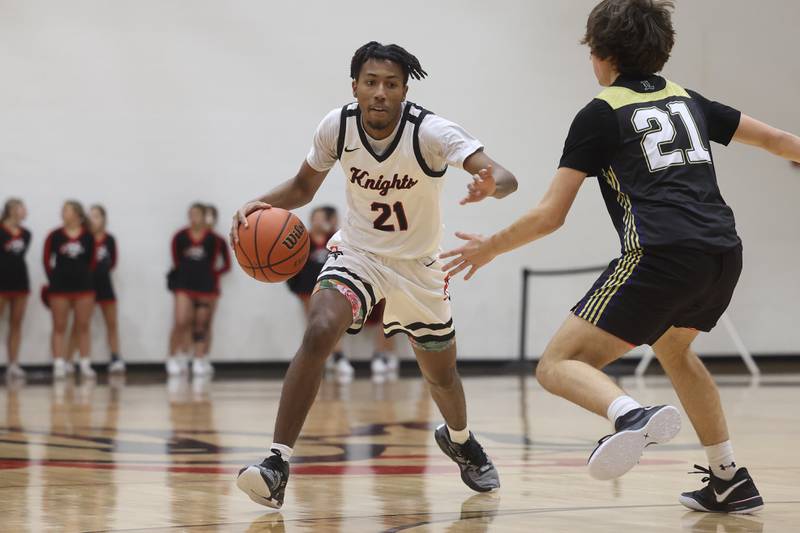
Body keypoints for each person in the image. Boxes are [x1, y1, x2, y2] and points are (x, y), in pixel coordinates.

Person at [441, 0, 800, 515]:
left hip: (660, 253)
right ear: (660, 50)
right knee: (676, 350)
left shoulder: (600, 113)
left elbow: (550, 215)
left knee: (557, 364)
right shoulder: (689, 101)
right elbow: (779, 140)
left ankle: (630, 415)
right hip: (723, 252)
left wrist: (489, 247)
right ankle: (728, 478)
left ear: (601, 54)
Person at [231, 41, 518, 509]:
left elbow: (504, 175)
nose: (380, 92)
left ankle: (462, 440)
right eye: (371, 83)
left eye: (390, 84)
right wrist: (260, 202)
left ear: (404, 91)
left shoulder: (430, 132)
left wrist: (492, 185)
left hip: (419, 268)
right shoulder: (338, 125)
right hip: (359, 255)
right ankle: (276, 463)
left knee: (442, 376)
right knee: (321, 327)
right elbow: (305, 186)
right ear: (355, 88)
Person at [286, 206, 355, 380]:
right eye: (314, 217)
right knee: (314, 325)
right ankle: (320, 360)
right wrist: (294, 286)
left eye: (320, 217)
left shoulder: (335, 239)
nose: (317, 220)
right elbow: (292, 264)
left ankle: (338, 357)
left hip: (331, 287)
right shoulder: (303, 239)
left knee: (333, 323)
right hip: (307, 288)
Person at [167, 203, 227, 377]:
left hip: (206, 287)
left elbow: (224, 264)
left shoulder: (214, 239)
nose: (195, 217)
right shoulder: (179, 236)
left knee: (201, 324)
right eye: (191, 213)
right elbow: (176, 260)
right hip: (184, 285)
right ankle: (173, 357)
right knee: (180, 321)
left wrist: (213, 274)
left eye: (198, 214)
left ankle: (200, 358)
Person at [68, 205, 125, 374]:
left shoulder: (109, 240)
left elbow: (113, 262)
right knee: (79, 323)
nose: (93, 219)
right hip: (86, 285)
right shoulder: (84, 238)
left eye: (97, 216)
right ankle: (68, 359)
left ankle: (116, 357)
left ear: (104, 219)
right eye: (91, 216)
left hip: (105, 284)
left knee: (112, 323)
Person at [44, 201, 97, 379]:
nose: (63, 212)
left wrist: (84, 276)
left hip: (84, 287)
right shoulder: (54, 235)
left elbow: (93, 261)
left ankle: (84, 363)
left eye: (66, 210)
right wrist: (54, 279)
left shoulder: (88, 236)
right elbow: (46, 260)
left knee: (83, 326)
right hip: (60, 287)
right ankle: (59, 363)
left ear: (77, 214)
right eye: (63, 209)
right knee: (59, 326)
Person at [0, 198, 31, 381]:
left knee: (16, 324)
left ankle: (13, 364)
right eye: (22, 207)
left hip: (20, 282)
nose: (26, 211)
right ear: (12, 210)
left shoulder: (27, 234)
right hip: (1, 283)